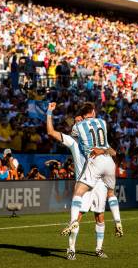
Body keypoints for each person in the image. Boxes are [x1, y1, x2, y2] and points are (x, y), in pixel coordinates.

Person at [46, 103, 118, 260]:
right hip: (84, 183)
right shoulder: (73, 141)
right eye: (77, 121)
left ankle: (99, 249)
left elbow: (113, 152)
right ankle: (71, 248)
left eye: (80, 120)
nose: (79, 123)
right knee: (76, 218)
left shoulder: (96, 142)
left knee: (100, 216)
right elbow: (50, 132)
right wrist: (49, 112)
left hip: (98, 182)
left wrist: (104, 150)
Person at [61, 102, 123, 240]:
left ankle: (73, 222)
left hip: (95, 161)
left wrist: (75, 121)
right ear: (93, 112)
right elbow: (111, 150)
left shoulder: (78, 126)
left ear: (82, 115)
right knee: (111, 193)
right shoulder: (102, 122)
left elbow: (74, 132)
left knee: (78, 191)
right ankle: (118, 221)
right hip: (109, 161)